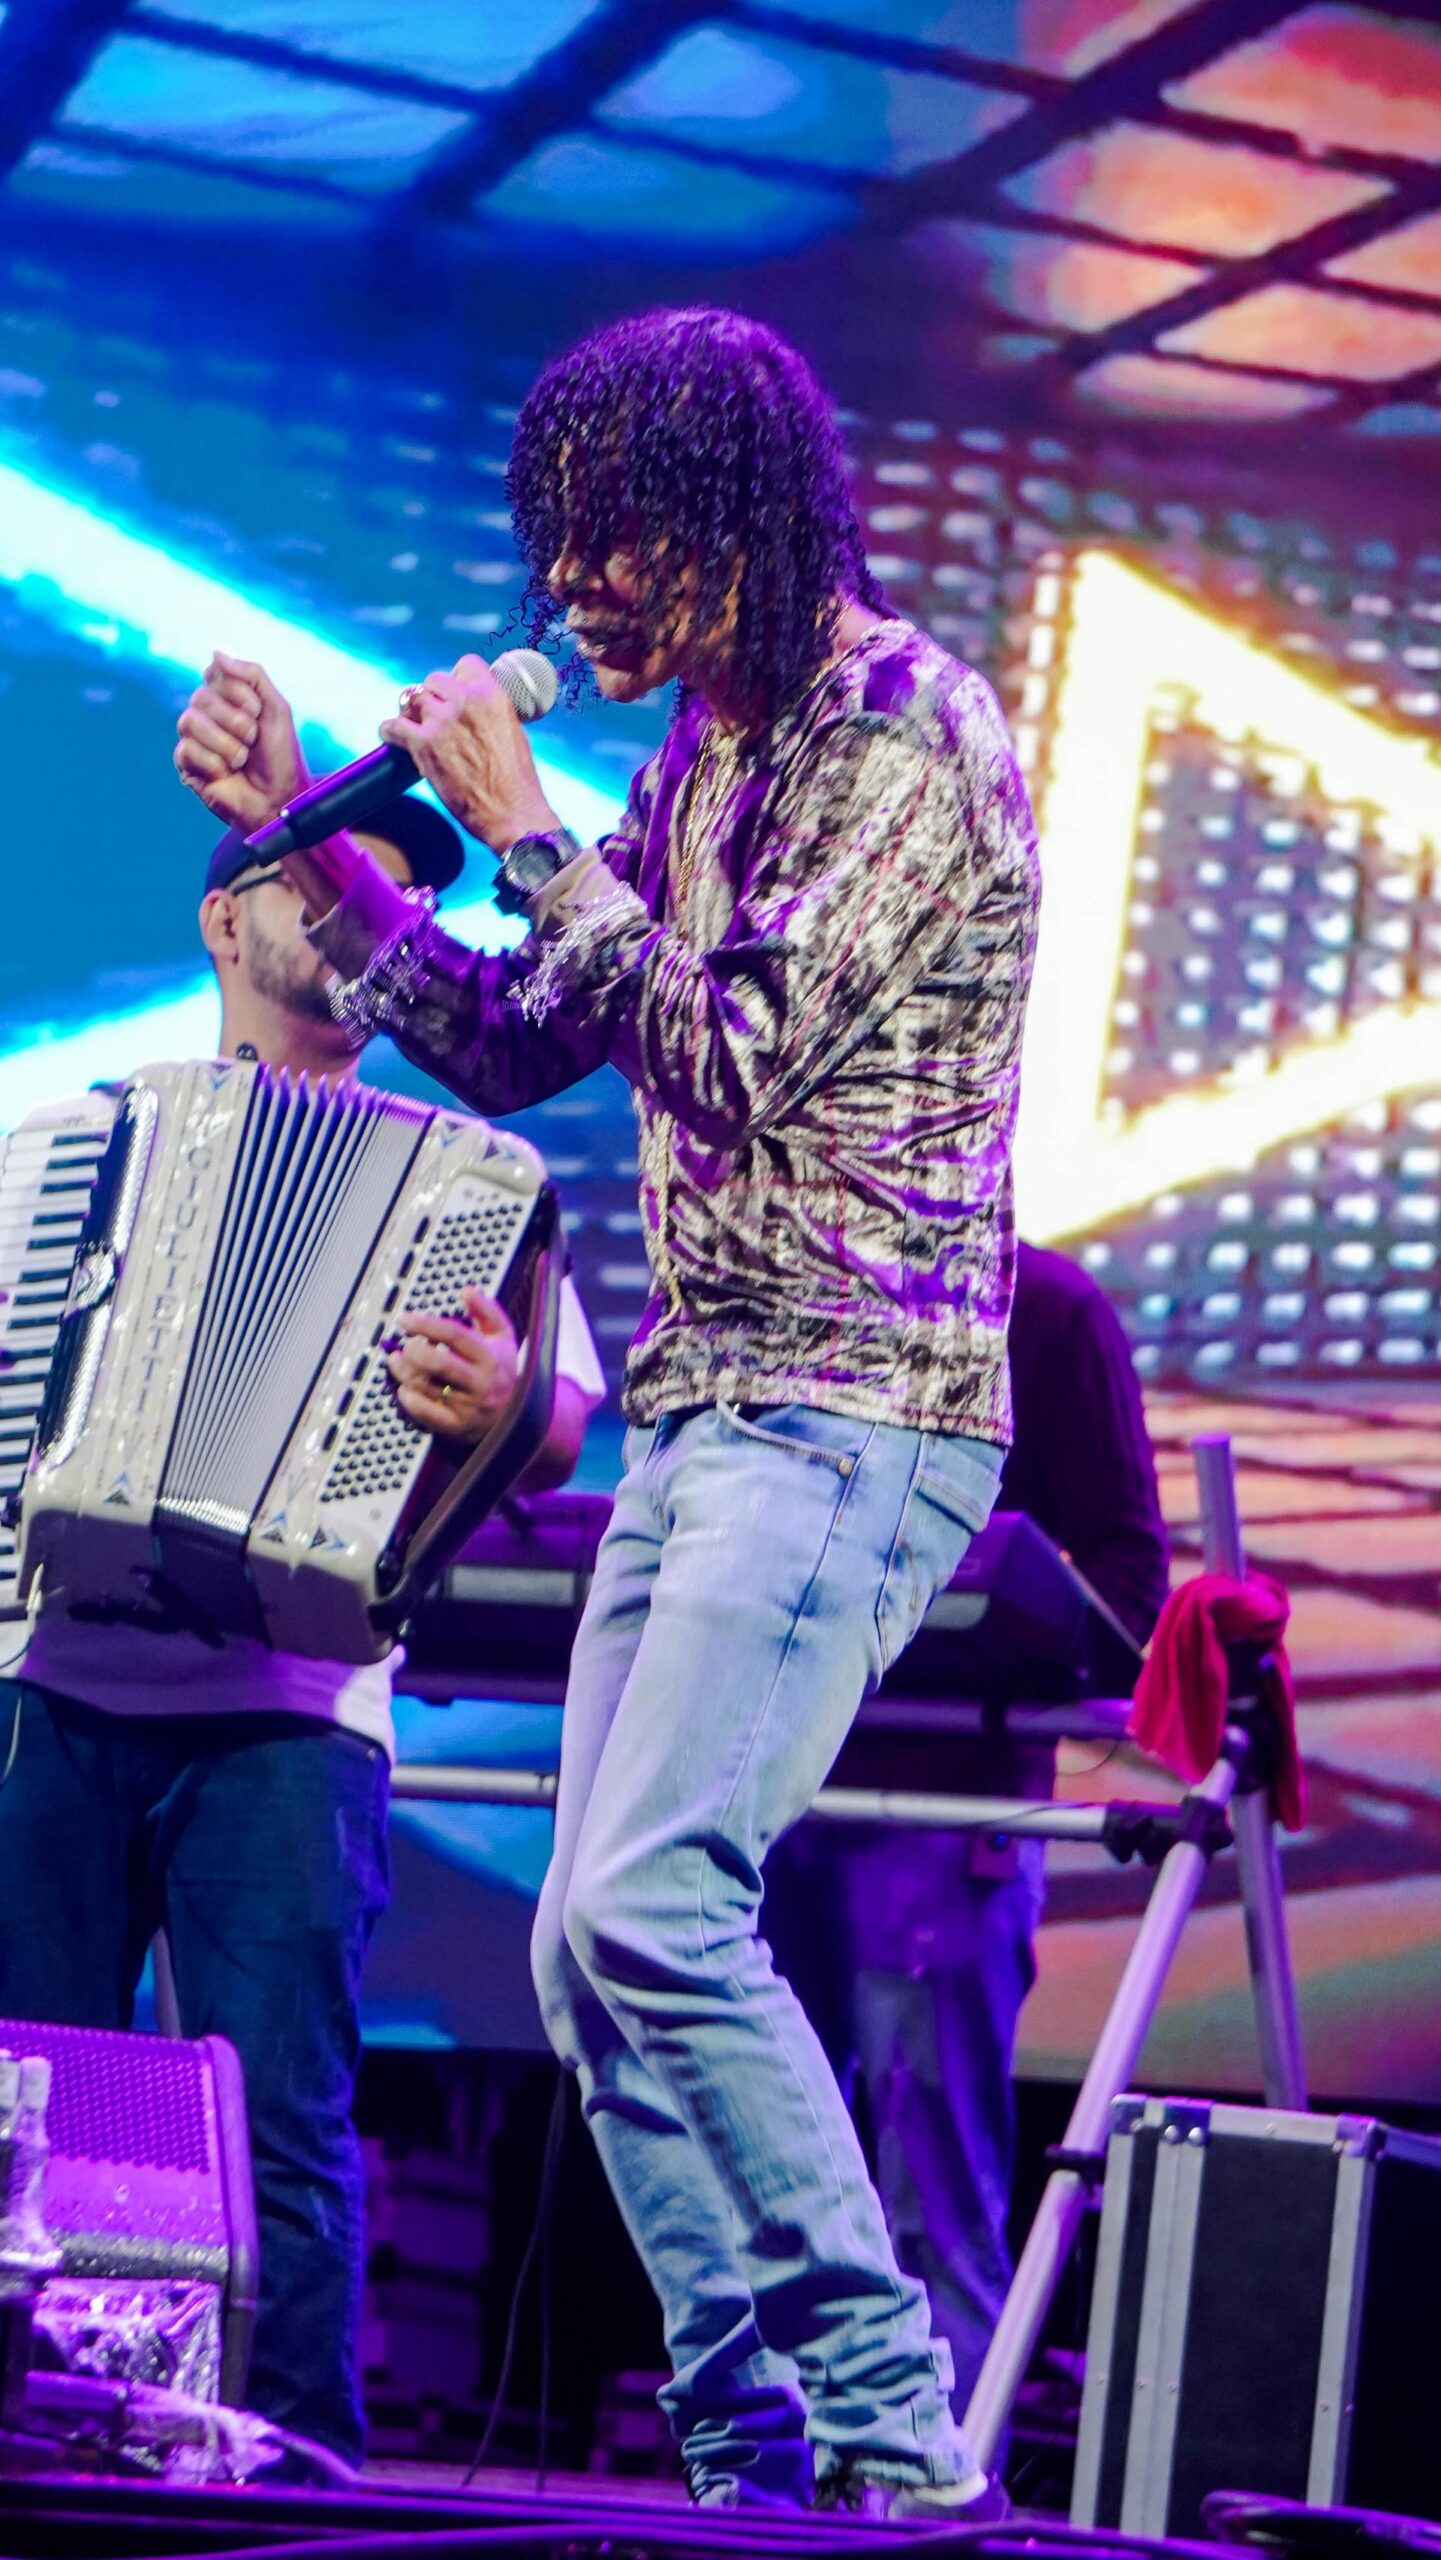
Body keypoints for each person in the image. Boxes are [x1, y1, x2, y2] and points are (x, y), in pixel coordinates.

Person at [174, 306, 1039, 2521]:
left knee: (657, 1897)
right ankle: (754, 2453)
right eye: (554, 542)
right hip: (713, 1414)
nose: (572, 590)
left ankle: (896, 2435)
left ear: (738, 516)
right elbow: (507, 1036)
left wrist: (533, 832)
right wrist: (314, 837)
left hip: (859, 1405)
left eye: (613, 539)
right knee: (584, 1945)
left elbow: (734, 1058)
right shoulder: (704, 770)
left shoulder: (902, 734)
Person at [0, 772, 606, 2466]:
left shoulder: (461, 1184)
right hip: (46, 1686)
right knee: (17, 2113)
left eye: (391, 898)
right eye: (319, 886)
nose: (358, 920)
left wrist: (503, 1399)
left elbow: (560, 1422)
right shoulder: (58, 1139)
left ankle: (289, 2487)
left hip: (293, 1713)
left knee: (282, 2140)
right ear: (224, 919)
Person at [766, 1237, 1171, 2424]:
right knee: (753, 2171)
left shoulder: (1046, 1309)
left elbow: (1126, 1584)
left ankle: (930, 2473)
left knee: (927, 2192)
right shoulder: (789, 1285)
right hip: (769, 1779)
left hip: (944, 1810)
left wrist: (974, 1601)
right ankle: (763, 2473)